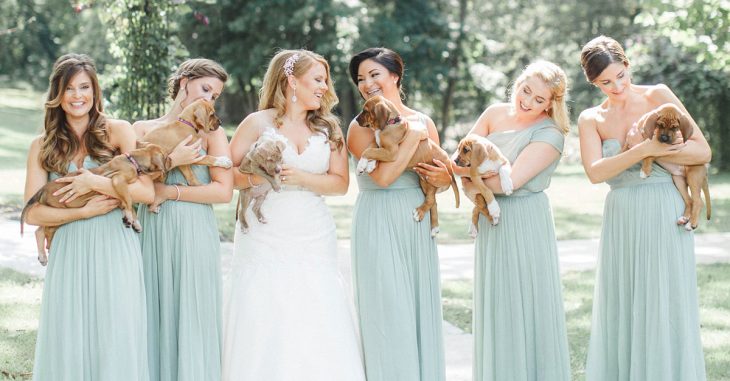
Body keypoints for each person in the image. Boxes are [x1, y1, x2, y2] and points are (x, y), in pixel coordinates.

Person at [223, 49, 365, 380]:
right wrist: (261, 176)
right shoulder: (257, 123)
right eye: (317, 79)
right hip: (264, 231)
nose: (324, 87)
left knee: (315, 305)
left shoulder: (330, 128)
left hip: (312, 231)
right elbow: (227, 176)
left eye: (325, 81)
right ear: (291, 81)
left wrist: (299, 177)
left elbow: (340, 183)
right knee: (266, 305)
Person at [578, 35, 710, 380]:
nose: (617, 86)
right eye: (605, 82)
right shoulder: (591, 118)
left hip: (663, 208)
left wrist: (649, 148)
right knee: (623, 304)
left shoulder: (659, 96)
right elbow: (595, 173)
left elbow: (701, 151)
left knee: (664, 301)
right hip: (621, 214)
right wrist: (640, 149)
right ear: (593, 83)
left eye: (620, 75)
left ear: (627, 65)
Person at [24, 53, 152, 380]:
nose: (78, 96)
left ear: (95, 92)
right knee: (69, 335)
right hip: (69, 248)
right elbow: (32, 212)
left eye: (85, 87)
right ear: (58, 94)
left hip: (116, 246)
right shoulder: (43, 146)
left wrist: (95, 182)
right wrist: (82, 211)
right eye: (69, 88)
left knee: (115, 333)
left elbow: (147, 193)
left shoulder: (119, 132)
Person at [454, 60, 571, 381]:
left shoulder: (551, 133)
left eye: (539, 99)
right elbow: (458, 161)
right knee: (497, 305)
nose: (528, 101)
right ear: (517, 82)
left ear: (551, 104)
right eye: (526, 90)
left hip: (525, 222)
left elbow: (510, 183)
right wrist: (471, 177)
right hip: (492, 222)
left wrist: (472, 180)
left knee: (527, 302)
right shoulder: (493, 113)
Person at [347, 47, 450, 381]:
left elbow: (440, 175)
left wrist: (445, 179)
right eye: (361, 78)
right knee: (386, 312)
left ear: (395, 75)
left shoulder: (425, 121)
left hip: (415, 223)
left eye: (374, 74)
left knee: (418, 309)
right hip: (377, 220)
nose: (367, 83)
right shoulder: (360, 126)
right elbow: (383, 176)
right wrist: (414, 136)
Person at [132, 58, 232, 381]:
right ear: (184, 82)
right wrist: (167, 171)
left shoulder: (212, 134)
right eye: (205, 89)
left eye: (215, 96)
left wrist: (169, 191)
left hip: (194, 232)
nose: (208, 100)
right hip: (153, 229)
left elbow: (222, 192)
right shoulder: (142, 130)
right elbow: (135, 183)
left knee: (193, 311)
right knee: (152, 309)